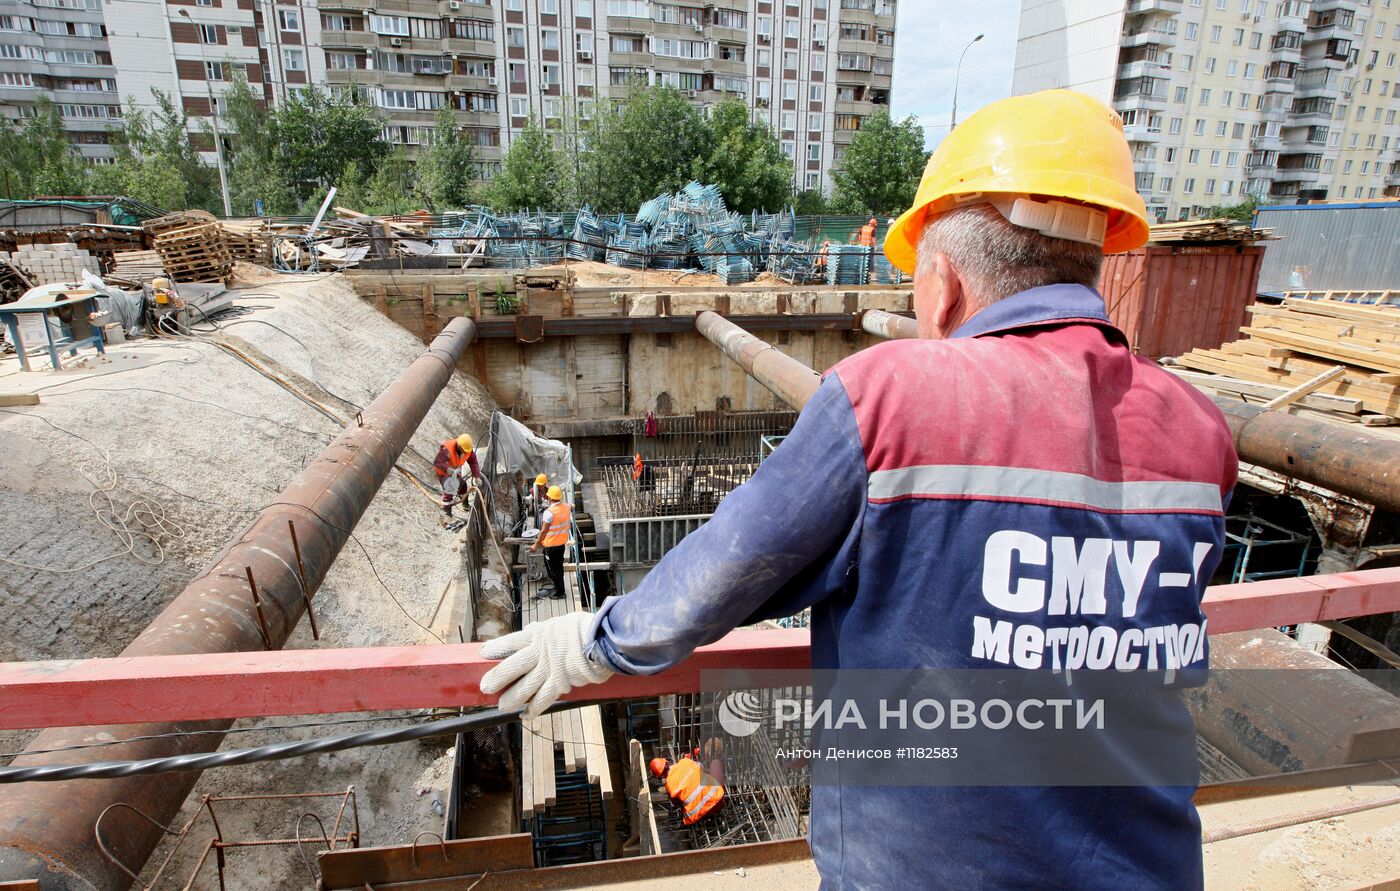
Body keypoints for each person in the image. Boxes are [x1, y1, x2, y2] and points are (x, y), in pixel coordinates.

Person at [481, 89, 1238, 888]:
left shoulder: (889, 397)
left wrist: (595, 640)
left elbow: (732, 560)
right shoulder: (1200, 429)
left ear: (941, 284)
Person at [648, 755, 725, 826]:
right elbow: (702, 767)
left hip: (700, 815)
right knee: (715, 762)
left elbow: (675, 804)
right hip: (717, 801)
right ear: (667, 762)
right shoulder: (685, 762)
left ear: (661, 777)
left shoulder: (669, 786)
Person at [531, 486, 570, 599]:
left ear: (549, 497)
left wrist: (536, 545)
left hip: (551, 546)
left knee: (554, 570)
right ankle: (559, 587)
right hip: (561, 545)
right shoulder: (566, 507)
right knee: (559, 568)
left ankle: (560, 593)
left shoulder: (549, 513)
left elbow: (543, 531)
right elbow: (571, 506)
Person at [433, 434, 479, 520]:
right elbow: (437, 463)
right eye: (463, 450)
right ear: (458, 445)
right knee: (450, 488)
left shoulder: (467, 450)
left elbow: (473, 462)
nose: (465, 452)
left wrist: (477, 476)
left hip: (455, 471)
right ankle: (447, 512)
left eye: (466, 451)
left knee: (463, 486)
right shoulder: (447, 448)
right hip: (443, 472)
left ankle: (465, 504)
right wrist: (447, 469)